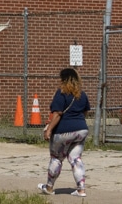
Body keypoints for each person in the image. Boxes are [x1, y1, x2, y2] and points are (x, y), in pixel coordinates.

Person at [37, 68, 89, 197]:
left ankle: (49, 187)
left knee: (56, 158)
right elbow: (85, 112)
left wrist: (49, 129)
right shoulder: (82, 95)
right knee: (76, 159)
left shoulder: (61, 94)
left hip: (63, 132)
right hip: (81, 130)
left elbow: (57, 114)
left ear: (63, 80)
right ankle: (81, 190)